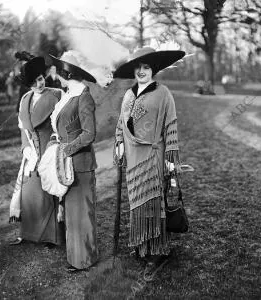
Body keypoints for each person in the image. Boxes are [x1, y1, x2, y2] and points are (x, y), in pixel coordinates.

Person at [113, 46, 185, 273]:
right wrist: (119, 144)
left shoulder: (163, 93)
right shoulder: (128, 95)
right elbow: (120, 125)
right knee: (137, 203)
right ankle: (142, 243)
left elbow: (170, 125)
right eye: (138, 67)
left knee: (154, 202)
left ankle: (157, 251)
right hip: (133, 160)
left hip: (154, 156)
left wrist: (170, 160)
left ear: (153, 69)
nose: (142, 71)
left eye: (146, 67)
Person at [49, 51, 99, 272]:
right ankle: (75, 257)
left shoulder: (83, 96)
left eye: (58, 72)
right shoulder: (69, 94)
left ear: (65, 73)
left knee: (82, 212)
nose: (56, 76)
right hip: (68, 162)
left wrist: (67, 149)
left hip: (81, 163)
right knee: (72, 212)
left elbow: (89, 134)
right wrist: (56, 141)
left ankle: (85, 259)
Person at [9, 56, 65, 247]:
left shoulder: (57, 94)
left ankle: (52, 236)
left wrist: (55, 144)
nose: (39, 84)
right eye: (34, 82)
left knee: (50, 191)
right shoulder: (25, 99)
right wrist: (25, 148)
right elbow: (23, 128)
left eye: (40, 79)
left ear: (45, 77)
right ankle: (28, 233)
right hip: (32, 152)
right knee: (29, 192)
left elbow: (63, 124)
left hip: (50, 150)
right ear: (29, 85)